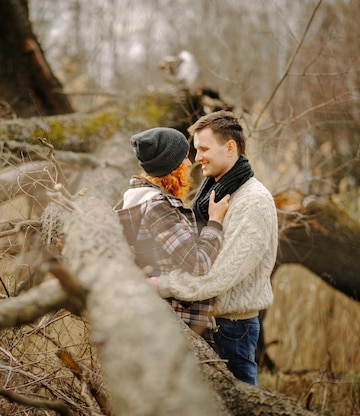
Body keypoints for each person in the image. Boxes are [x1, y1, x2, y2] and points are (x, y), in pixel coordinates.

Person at [147, 111, 278, 386]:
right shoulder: (213, 192)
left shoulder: (252, 203)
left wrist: (163, 285)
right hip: (206, 323)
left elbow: (220, 275)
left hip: (231, 329)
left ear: (230, 147)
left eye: (204, 149)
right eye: (196, 150)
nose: (197, 159)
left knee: (240, 406)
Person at [114, 127, 229, 339]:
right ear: (172, 167)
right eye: (184, 157)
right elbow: (198, 263)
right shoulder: (158, 207)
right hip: (178, 325)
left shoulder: (135, 200)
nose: (188, 163)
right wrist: (215, 222)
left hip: (159, 321)